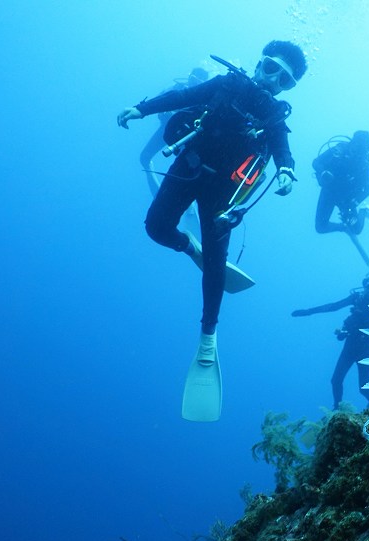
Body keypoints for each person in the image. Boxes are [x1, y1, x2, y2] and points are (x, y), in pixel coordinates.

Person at [117, 40, 307, 381]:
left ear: (289, 88)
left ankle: (208, 337)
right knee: (155, 229)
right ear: (258, 64)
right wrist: (141, 108)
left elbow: (281, 143)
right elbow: (182, 98)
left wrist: (287, 169)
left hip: (223, 193)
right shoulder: (227, 84)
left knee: (215, 266)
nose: (273, 81)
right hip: (189, 166)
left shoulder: (274, 114)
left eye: (285, 80)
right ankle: (190, 246)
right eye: (270, 68)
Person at [291, 269, 369, 412]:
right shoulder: (358, 297)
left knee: (364, 387)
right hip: (351, 344)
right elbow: (334, 306)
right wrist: (308, 311)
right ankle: (337, 409)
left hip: (367, 349)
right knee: (335, 380)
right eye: (367, 283)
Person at [312, 130, 369, 252]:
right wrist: (323, 172)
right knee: (321, 227)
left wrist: (354, 202)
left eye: (359, 148)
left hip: (346, 199)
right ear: (352, 141)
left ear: (364, 150)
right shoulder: (339, 149)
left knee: (357, 230)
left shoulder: (363, 164)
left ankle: (364, 212)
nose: (355, 150)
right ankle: (343, 228)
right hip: (328, 191)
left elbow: (368, 189)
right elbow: (316, 162)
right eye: (355, 144)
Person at [139, 67, 210, 197]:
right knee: (144, 157)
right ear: (189, 77)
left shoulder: (205, 97)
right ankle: (157, 191)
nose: (194, 83)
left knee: (188, 169)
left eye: (198, 82)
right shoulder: (176, 88)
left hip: (188, 137)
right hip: (167, 129)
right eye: (193, 79)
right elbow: (159, 102)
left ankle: (185, 200)